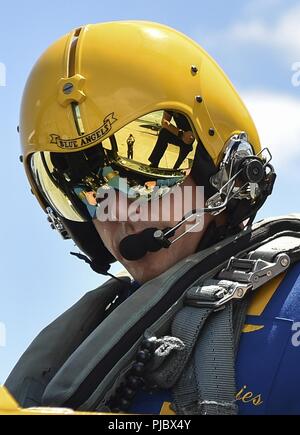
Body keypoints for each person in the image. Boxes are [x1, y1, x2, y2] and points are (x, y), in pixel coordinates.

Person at [5, 21, 300, 416]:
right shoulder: (80, 348)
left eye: (143, 174)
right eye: (80, 186)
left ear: (220, 170)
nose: (117, 213)